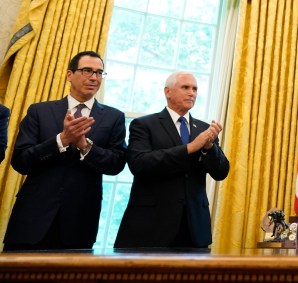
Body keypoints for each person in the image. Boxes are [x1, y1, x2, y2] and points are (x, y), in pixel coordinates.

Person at [4, 51, 127, 250]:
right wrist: (61, 140)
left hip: (80, 221)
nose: (94, 77)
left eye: (99, 73)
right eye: (87, 70)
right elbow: (21, 161)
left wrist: (84, 146)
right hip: (32, 219)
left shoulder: (114, 117)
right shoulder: (39, 111)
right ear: (69, 75)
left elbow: (116, 164)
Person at [114, 72, 229, 249]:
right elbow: (140, 164)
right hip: (151, 226)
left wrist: (208, 148)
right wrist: (189, 148)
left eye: (195, 89)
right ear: (167, 92)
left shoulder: (205, 129)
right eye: (185, 87)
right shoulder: (144, 125)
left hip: (194, 228)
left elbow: (221, 172)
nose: (192, 93)